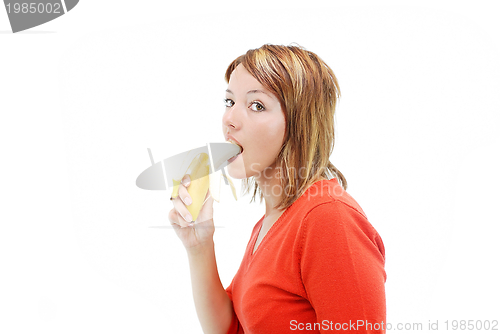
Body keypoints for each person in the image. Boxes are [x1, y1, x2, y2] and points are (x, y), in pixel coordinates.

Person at [168, 44, 386, 334]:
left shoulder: (328, 218)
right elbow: (233, 329)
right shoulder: (269, 223)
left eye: (256, 105)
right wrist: (198, 246)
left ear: (299, 124)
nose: (229, 120)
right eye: (229, 102)